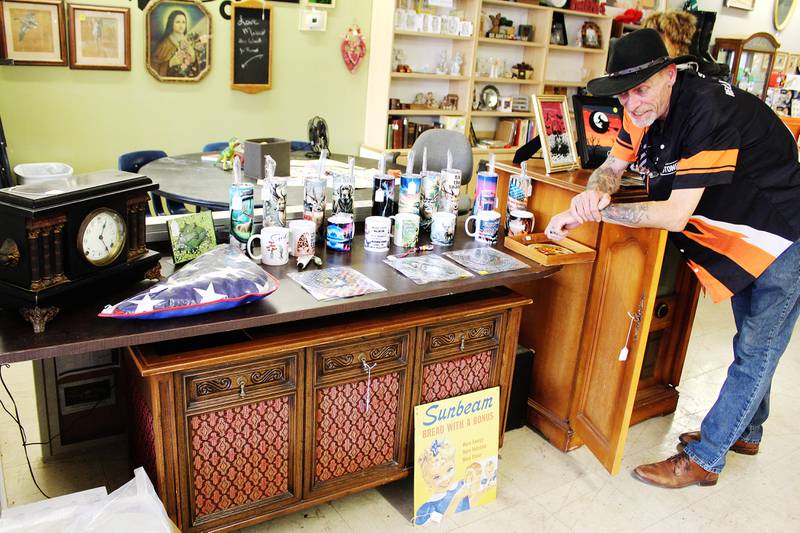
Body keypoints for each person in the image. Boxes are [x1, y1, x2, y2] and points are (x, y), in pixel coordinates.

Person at [545, 28, 800, 489]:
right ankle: (747, 430)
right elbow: (611, 167)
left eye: (640, 89)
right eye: (623, 95)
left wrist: (601, 216)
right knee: (756, 341)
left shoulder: (707, 109)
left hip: (783, 233)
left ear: (668, 75)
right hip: (745, 234)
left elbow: (675, 214)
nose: (631, 104)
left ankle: (706, 459)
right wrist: (588, 197)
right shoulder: (641, 108)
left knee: (756, 351)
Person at [152, 10, 197, 77]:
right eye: (178, 22)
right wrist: (170, 62)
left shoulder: (188, 42)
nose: (181, 25)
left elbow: (195, 65)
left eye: (184, 22)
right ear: (171, 23)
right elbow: (156, 65)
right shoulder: (165, 44)